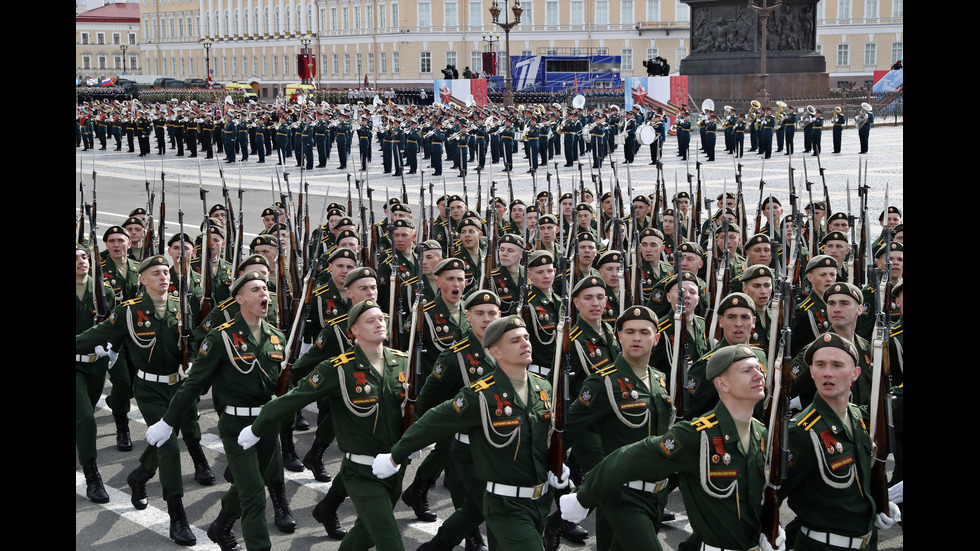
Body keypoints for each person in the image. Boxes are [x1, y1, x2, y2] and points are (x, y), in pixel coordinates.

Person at [560, 344, 785, 551]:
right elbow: (628, 458)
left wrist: (773, 527)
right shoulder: (698, 435)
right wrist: (583, 497)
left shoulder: (761, 434)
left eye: (759, 368)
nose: (759, 375)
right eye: (747, 371)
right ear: (722, 383)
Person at [374, 315, 570, 551]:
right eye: (515, 340)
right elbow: (434, 421)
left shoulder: (543, 388)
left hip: (540, 501)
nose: (526, 343)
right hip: (506, 504)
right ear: (496, 352)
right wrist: (396, 455)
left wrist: (558, 467)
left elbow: (545, 439)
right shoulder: (481, 396)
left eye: (527, 338)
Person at [239, 299, 409, 550]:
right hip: (362, 472)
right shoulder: (338, 369)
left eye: (381, 319)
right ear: (354, 330)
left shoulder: (401, 362)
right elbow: (294, 399)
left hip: (395, 468)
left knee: (365, 534)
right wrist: (257, 428)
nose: (379, 324)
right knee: (390, 541)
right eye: (370, 321)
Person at [75, 255, 197, 546]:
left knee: (160, 441)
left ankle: (140, 475)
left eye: (166, 272)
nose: (163, 277)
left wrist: (192, 361)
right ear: (142, 280)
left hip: (178, 388)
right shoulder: (129, 312)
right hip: (149, 390)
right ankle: (177, 517)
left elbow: (192, 340)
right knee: (168, 447)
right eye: (156, 273)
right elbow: (96, 334)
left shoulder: (182, 305)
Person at [564, 306, 674, 551]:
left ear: (656, 339)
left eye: (644, 332)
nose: (637, 338)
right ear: (618, 336)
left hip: (657, 493)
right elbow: (568, 430)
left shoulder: (659, 379)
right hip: (622, 493)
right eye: (630, 331)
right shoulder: (603, 382)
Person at [780, 333, 901, 550]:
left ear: (855, 373)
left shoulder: (860, 420)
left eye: (837, 365)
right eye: (820, 365)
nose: (828, 373)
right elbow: (770, 494)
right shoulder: (800, 432)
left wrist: (876, 505)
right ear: (812, 372)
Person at [76, 244, 116, 504]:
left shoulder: (105, 291)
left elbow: (113, 324)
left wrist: (112, 349)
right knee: (87, 418)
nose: (82, 261)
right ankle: (92, 475)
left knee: (84, 413)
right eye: (76, 258)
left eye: (84, 256)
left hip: (96, 364)